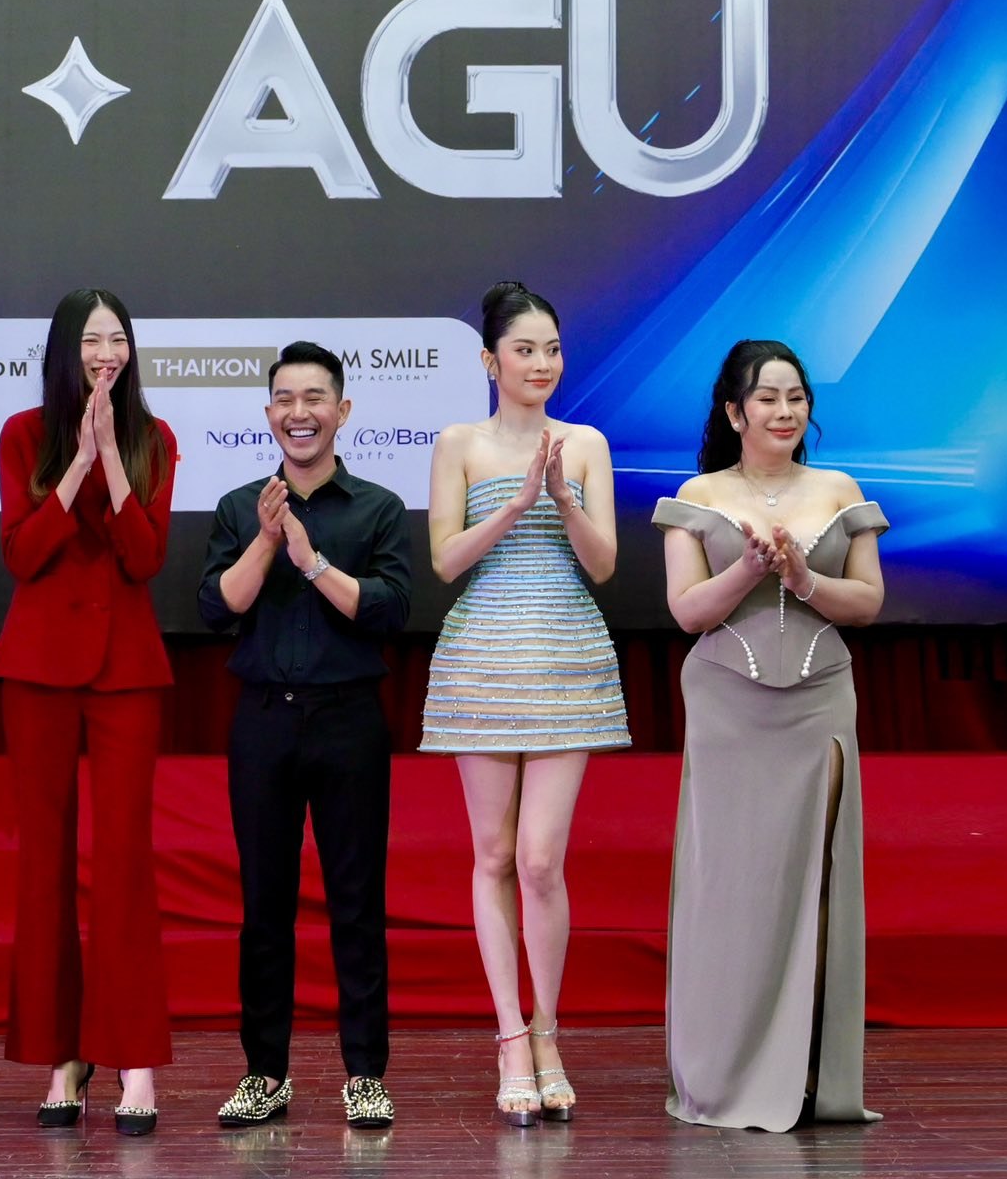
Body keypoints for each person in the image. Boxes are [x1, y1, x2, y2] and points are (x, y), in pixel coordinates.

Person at [654, 340, 887, 1131]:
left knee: (813, 879)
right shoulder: (701, 494)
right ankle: (723, 1074)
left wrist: (802, 577)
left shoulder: (839, 490)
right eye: (767, 398)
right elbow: (687, 612)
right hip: (727, 703)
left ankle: (811, 1076)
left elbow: (867, 603)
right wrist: (751, 569)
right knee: (732, 887)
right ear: (734, 412)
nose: (785, 411)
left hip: (819, 701)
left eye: (796, 397)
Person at [419, 282, 629, 1126]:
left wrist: (563, 498)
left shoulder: (587, 443)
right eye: (525, 350)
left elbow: (604, 565)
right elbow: (444, 561)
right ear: (490, 360)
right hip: (480, 662)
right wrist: (514, 503)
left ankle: (548, 1031)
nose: (542, 363)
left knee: (542, 860)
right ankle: (509, 1036)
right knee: (495, 854)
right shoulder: (458, 443)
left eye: (552, 349)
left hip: (566, 658)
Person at [199, 341, 413, 1131]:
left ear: (342, 411)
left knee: (357, 903)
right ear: (269, 414)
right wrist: (267, 539)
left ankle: (365, 1076)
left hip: (349, 719)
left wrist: (312, 560)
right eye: (286, 399)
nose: (300, 412)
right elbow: (215, 609)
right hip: (263, 721)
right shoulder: (238, 507)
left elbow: (390, 611)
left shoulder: (378, 507)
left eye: (315, 398)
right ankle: (265, 1074)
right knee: (264, 906)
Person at [0, 288, 176, 1136]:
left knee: (126, 862)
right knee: (46, 863)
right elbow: (22, 556)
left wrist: (113, 460)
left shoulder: (154, 438)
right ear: (67, 350)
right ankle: (64, 1054)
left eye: (118, 339)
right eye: (93, 340)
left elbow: (145, 558)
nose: (107, 353)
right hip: (37, 667)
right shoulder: (22, 433)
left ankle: (133, 1058)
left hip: (126, 667)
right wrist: (75, 464)